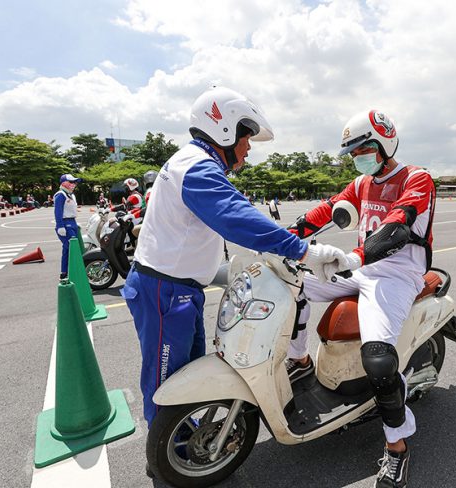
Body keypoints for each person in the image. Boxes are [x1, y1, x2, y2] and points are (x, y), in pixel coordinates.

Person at [121, 86, 345, 432]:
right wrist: (305, 250)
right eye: (246, 136)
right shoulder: (196, 168)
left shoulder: (193, 163)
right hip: (165, 291)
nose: (248, 147)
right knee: (166, 380)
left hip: (177, 288)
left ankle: (183, 438)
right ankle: (168, 455)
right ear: (224, 130)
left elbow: (199, 229)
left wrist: (220, 271)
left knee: (187, 371)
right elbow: (235, 216)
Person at [286, 109, 436, 488]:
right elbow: (323, 211)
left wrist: (355, 257)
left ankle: (398, 448)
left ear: (385, 142)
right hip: (361, 268)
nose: (358, 157)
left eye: (363, 148)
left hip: (396, 275)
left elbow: (397, 225)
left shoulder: (417, 179)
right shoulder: (361, 182)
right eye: (352, 152)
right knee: (292, 286)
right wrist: (282, 240)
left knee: (379, 362)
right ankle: (300, 360)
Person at [54, 174, 82, 279]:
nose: (73, 184)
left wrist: (74, 222)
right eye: (71, 182)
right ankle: (74, 273)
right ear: (63, 183)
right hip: (65, 224)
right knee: (72, 249)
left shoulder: (71, 195)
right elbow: (58, 211)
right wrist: (60, 225)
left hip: (72, 222)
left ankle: (64, 272)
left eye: (74, 182)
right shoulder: (60, 195)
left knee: (67, 249)